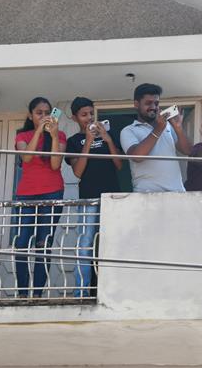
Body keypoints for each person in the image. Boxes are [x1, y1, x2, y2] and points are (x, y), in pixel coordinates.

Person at [65, 97, 122, 297]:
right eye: (84, 115)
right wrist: (88, 141)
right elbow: (78, 172)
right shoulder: (73, 141)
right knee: (86, 243)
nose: (89, 118)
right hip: (88, 198)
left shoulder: (110, 135)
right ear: (74, 118)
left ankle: (109, 290)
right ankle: (81, 291)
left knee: (111, 242)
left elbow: (119, 165)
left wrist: (107, 140)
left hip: (111, 197)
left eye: (91, 113)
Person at [13, 97, 66, 298]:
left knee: (43, 244)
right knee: (22, 244)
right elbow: (26, 156)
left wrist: (52, 136)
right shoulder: (22, 135)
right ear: (31, 115)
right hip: (26, 194)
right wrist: (38, 131)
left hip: (52, 192)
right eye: (39, 113)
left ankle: (36, 294)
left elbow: (55, 164)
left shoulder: (59, 135)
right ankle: (23, 293)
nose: (44, 116)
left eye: (47, 112)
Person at [120, 83, 192, 192]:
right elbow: (137, 157)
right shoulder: (128, 130)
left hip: (176, 192)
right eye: (148, 103)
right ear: (136, 104)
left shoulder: (167, 125)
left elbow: (187, 150)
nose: (153, 107)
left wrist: (178, 128)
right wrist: (158, 129)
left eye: (156, 103)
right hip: (147, 194)